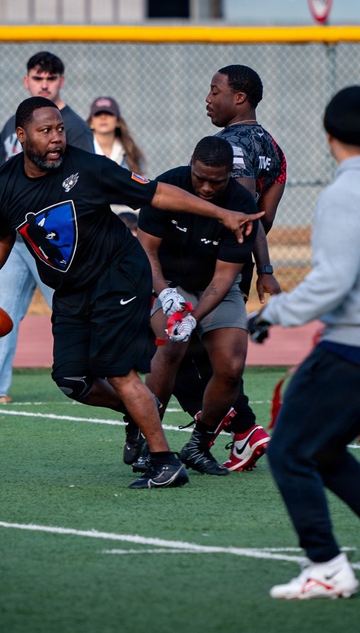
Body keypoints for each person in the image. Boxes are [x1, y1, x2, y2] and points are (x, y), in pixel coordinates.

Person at [0, 96, 262, 490]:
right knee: (72, 380)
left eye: (60, 129)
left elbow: (157, 193)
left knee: (116, 370)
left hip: (118, 275)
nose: (56, 138)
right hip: (71, 288)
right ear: (21, 135)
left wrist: (222, 213)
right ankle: (139, 410)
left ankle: (164, 463)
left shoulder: (89, 168)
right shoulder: (2, 186)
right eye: (45, 131)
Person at [248, 86, 360, 599]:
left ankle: (326, 565)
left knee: (288, 450)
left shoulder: (345, 192)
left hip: (355, 347)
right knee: (323, 450)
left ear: (328, 134)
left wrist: (273, 313)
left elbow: (333, 281)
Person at [163, 64, 287, 472]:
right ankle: (240, 429)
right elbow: (265, 219)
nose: (208, 98)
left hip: (207, 263)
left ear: (239, 98)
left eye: (215, 90)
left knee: (179, 349)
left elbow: (243, 215)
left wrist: (265, 266)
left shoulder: (229, 146)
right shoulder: (273, 147)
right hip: (237, 262)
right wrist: (261, 266)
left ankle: (239, 426)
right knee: (207, 352)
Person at [0, 51, 93, 404]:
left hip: (51, 239)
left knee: (71, 308)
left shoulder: (73, 127)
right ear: (27, 81)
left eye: (51, 78)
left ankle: (102, 375)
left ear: (61, 82)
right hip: (11, 238)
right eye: (38, 78)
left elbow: (83, 180)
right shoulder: (16, 123)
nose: (44, 84)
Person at [138, 136, 259, 477]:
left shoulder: (241, 205)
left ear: (229, 174)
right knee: (171, 345)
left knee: (231, 366)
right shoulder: (167, 187)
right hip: (168, 281)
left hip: (213, 288)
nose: (206, 188)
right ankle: (148, 443)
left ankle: (198, 445)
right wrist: (165, 294)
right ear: (191, 163)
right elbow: (146, 251)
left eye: (216, 181)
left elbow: (223, 279)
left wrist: (194, 318)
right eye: (200, 178)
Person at [87, 95, 146, 228]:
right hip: (93, 216)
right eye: (98, 114)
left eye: (109, 113)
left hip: (127, 216)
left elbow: (139, 191)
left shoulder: (131, 152)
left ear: (118, 120)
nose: (103, 118)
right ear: (91, 121)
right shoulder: (83, 149)